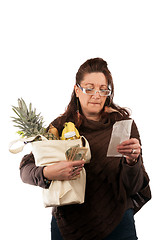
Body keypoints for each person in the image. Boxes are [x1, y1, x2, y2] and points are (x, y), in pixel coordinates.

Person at [20, 58, 151, 240]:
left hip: (118, 224)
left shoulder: (122, 125)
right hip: (70, 225)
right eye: (89, 88)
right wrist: (49, 173)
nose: (96, 95)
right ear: (77, 90)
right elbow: (25, 170)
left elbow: (134, 186)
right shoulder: (58, 128)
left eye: (102, 89)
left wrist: (132, 161)